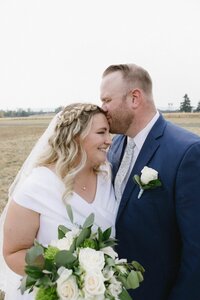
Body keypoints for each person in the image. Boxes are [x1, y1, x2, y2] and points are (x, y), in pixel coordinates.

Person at [100, 63, 200, 300]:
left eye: (106, 100)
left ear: (135, 98)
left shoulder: (187, 152)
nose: (102, 109)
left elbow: (196, 249)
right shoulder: (113, 147)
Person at [0, 103, 118, 300]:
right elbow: (13, 252)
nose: (109, 141)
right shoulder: (37, 185)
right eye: (101, 132)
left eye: (109, 133)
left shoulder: (107, 177)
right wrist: (67, 276)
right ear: (76, 136)